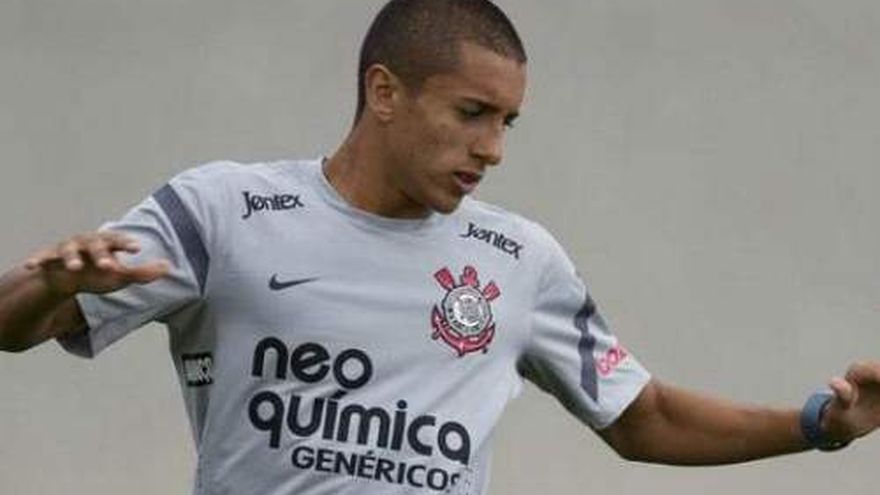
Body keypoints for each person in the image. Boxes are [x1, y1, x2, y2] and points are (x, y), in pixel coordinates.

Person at [0, 0, 878, 493]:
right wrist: (49, 287)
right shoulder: (222, 210)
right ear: (384, 92)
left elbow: (644, 417)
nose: (492, 149)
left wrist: (818, 425)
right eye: (472, 113)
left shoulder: (520, 260)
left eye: (507, 122)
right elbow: (14, 325)